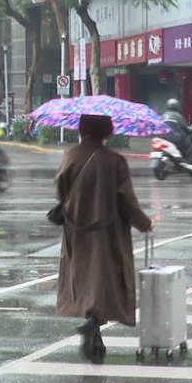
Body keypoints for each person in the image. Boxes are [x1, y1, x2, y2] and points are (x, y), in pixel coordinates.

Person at [55, 115, 153, 362]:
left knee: (84, 282)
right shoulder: (115, 161)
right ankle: (93, 324)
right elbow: (126, 200)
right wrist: (145, 223)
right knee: (105, 282)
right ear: (107, 132)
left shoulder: (70, 156)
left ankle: (93, 328)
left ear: (81, 130)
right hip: (108, 232)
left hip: (76, 234)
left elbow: (60, 190)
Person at [162, 98, 192, 163]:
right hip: (176, 138)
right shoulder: (178, 116)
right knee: (187, 143)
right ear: (177, 106)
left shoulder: (164, 115)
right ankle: (186, 160)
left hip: (164, 138)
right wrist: (190, 131)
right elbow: (184, 127)